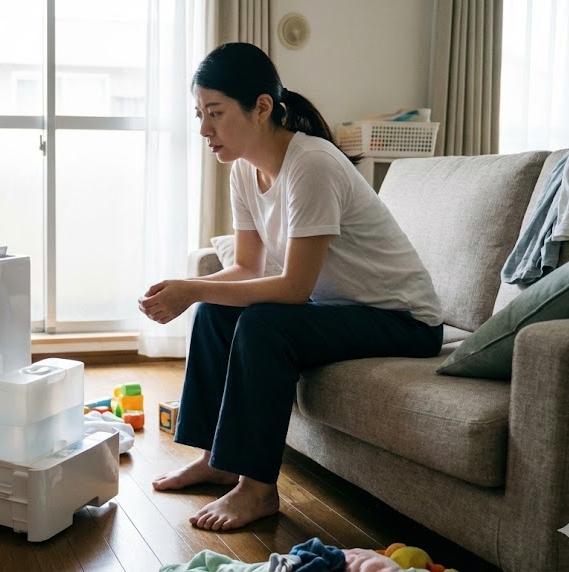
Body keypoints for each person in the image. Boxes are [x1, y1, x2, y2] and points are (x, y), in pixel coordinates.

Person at [138, 42, 444, 532]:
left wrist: (192, 289)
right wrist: (192, 289)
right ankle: (220, 459)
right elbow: (246, 268)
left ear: (261, 107)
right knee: (215, 312)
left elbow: (294, 288)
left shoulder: (313, 164)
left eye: (215, 113)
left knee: (262, 326)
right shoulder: (244, 169)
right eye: (199, 113)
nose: (203, 129)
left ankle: (258, 490)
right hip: (342, 310)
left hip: (404, 320)